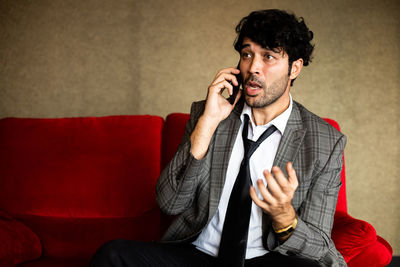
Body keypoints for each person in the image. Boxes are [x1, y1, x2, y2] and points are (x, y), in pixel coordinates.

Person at [91, 9, 347, 267]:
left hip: (265, 260)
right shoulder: (210, 114)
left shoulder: (325, 142)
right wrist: (207, 123)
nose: (253, 67)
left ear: (295, 68)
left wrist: (284, 217)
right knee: (113, 255)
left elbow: (319, 245)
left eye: (268, 56)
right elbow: (170, 202)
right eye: (247, 54)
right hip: (198, 256)